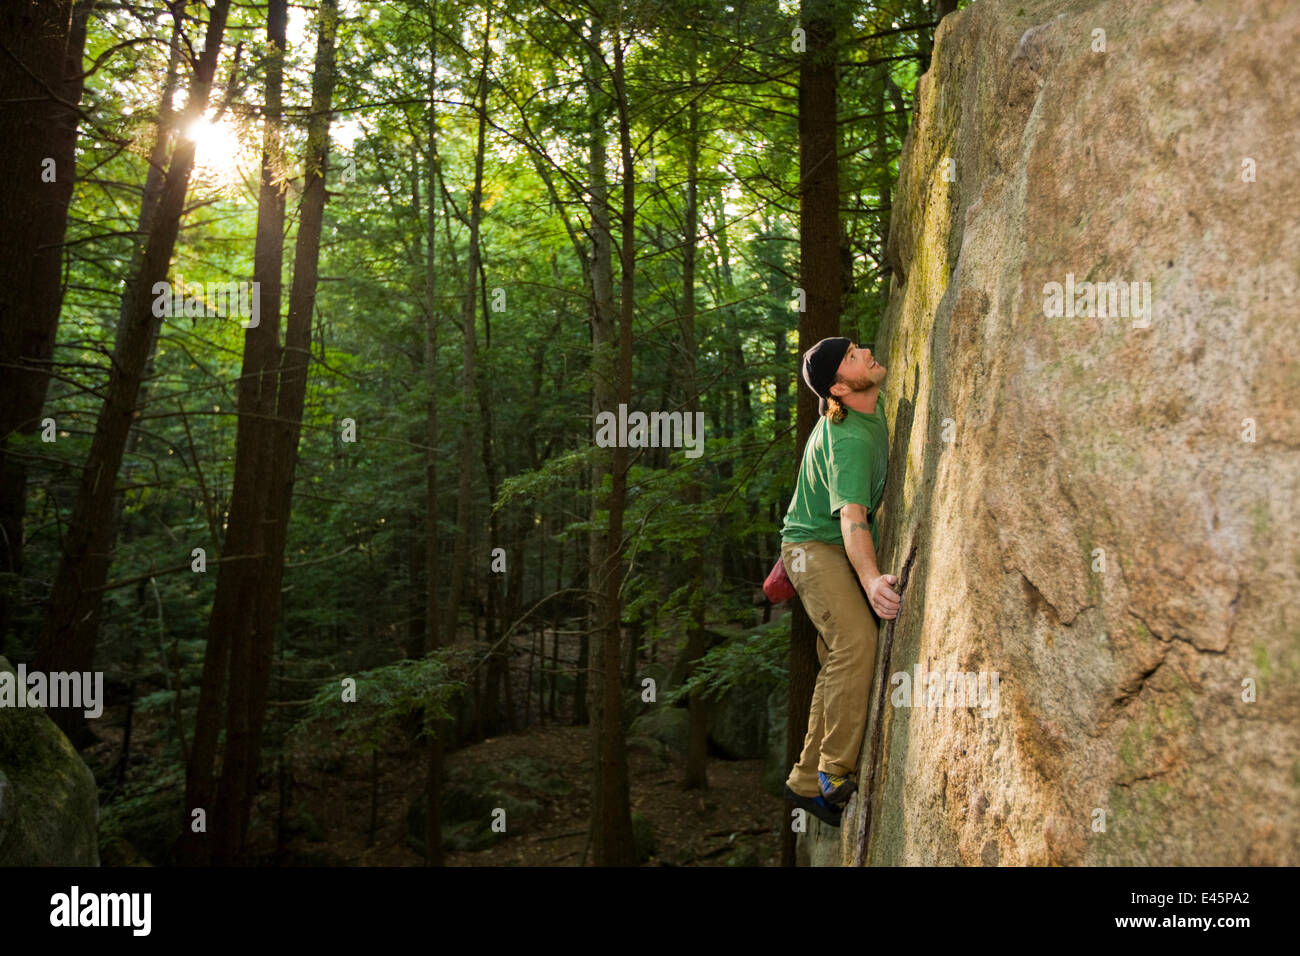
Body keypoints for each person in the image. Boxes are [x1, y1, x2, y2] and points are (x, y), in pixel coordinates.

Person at [780, 336, 900, 827]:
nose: (865, 353)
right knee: (855, 641)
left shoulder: (861, 412)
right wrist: (871, 581)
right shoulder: (849, 436)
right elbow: (852, 519)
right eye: (852, 357)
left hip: (819, 546)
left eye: (857, 348)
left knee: (836, 661)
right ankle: (833, 773)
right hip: (815, 551)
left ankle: (805, 781)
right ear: (838, 386)